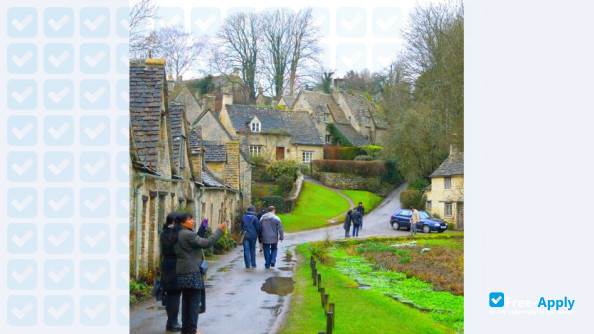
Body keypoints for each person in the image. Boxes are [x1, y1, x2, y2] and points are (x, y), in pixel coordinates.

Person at [174, 212, 226, 334]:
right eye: (189, 220)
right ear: (182, 222)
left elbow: (194, 242)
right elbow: (206, 243)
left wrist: (202, 229)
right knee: (193, 304)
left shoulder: (179, 233)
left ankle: (186, 330)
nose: (192, 221)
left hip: (182, 273)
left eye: (192, 219)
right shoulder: (187, 234)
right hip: (192, 273)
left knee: (186, 302)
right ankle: (192, 330)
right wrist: (219, 230)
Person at [160, 212, 182, 332]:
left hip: (166, 264)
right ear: (174, 222)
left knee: (170, 294)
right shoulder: (174, 233)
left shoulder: (164, 232)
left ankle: (171, 322)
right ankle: (173, 322)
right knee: (174, 294)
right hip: (174, 264)